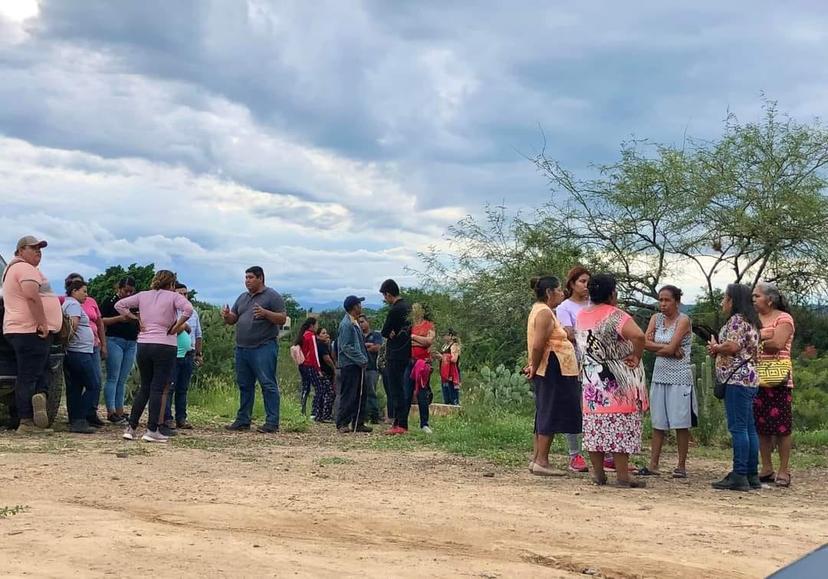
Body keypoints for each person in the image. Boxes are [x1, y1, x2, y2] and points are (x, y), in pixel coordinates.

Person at [575, 273, 648, 488]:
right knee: (620, 425)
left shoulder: (581, 315)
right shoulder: (616, 315)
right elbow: (639, 336)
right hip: (617, 379)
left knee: (595, 426)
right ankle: (623, 476)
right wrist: (637, 355)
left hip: (591, 379)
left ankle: (598, 474)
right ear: (611, 293)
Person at [116, 270, 192, 443]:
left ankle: (131, 427)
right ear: (172, 284)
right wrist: (177, 326)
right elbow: (188, 309)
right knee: (157, 388)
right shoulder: (173, 297)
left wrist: (135, 319)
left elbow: (119, 305)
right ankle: (152, 430)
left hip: (144, 344)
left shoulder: (143, 296)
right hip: (165, 344)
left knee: (145, 387)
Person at [1, 235, 63, 433]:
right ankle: (26, 421)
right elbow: (31, 295)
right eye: (33, 248)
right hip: (29, 330)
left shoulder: (12, 269)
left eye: (40, 248)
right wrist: (43, 322)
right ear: (20, 251)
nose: (38, 251)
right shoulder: (24, 268)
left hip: (20, 330)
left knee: (40, 369)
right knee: (28, 376)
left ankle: (40, 398)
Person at [526, 276, 582, 477]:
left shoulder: (543, 310)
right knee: (550, 411)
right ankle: (542, 460)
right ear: (549, 292)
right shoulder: (544, 313)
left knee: (544, 410)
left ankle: (537, 458)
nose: (562, 293)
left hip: (552, 366)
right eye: (559, 290)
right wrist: (533, 364)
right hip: (553, 367)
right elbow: (538, 344)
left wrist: (533, 364)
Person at [707, 284, 760, 491]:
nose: (723, 303)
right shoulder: (752, 321)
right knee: (749, 427)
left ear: (732, 300)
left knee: (738, 428)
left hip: (737, 380)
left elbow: (733, 346)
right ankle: (751, 473)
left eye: (725, 298)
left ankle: (739, 474)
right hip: (750, 379)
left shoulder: (737, 321)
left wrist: (716, 347)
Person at [221, 266, 286, 433]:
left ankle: (272, 422)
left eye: (250, 277)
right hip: (242, 348)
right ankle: (243, 420)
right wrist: (228, 316)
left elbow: (282, 318)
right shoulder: (243, 297)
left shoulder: (272, 296)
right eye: (246, 277)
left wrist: (265, 313)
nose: (247, 280)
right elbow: (234, 318)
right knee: (244, 385)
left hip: (263, 346)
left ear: (261, 278)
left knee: (267, 384)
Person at [640, 285, 696, 478]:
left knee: (680, 422)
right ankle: (653, 464)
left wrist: (662, 348)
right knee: (658, 422)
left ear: (677, 301)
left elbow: (669, 347)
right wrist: (666, 347)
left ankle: (681, 465)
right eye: (660, 300)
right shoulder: (656, 319)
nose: (663, 304)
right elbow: (644, 343)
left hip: (680, 377)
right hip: (659, 375)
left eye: (667, 300)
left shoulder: (683, 320)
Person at [752, 282, 795, 488]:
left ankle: (784, 469)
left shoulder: (784, 318)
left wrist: (756, 338)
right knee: (761, 425)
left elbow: (777, 344)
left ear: (770, 299)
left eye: (757, 296)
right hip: (756, 376)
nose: (754, 299)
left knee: (782, 426)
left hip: (778, 378)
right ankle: (767, 467)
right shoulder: (754, 320)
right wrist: (762, 337)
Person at [554, 266, 591, 473]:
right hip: (577, 360)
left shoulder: (594, 303)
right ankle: (574, 454)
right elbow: (569, 333)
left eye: (588, 282)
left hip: (597, 360)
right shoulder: (565, 307)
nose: (586, 286)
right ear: (572, 284)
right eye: (582, 282)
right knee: (575, 406)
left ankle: (602, 451)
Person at [62, 273, 107, 419]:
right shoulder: (74, 305)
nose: (86, 295)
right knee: (93, 384)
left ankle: (76, 419)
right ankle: (81, 416)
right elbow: (72, 326)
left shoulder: (70, 303)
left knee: (75, 386)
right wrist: (69, 342)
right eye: (84, 291)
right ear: (74, 291)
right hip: (79, 352)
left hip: (79, 350)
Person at [163, 282, 202, 431]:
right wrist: (183, 326)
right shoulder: (171, 311)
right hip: (173, 353)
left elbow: (198, 335)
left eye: (185, 293)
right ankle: (167, 418)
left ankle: (181, 418)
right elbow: (171, 330)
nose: (184, 296)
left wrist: (198, 353)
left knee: (183, 388)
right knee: (169, 387)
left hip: (189, 353)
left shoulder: (193, 312)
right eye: (180, 293)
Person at [100, 276, 139, 424]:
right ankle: (111, 411)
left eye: (131, 291)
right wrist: (119, 319)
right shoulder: (110, 302)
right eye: (125, 291)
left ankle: (120, 410)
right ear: (119, 289)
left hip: (131, 342)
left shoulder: (135, 303)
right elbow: (101, 320)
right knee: (113, 377)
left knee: (123, 379)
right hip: (114, 340)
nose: (128, 294)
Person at [379, 279, 412, 435]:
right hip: (406, 351)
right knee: (403, 389)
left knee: (395, 389)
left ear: (388, 294)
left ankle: (399, 424)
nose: (385, 299)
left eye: (385, 296)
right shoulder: (408, 307)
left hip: (395, 353)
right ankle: (402, 423)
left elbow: (385, 331)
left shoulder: (395, 310)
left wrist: (390, 333)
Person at [335, 296, 371, 433]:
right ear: (354, 307)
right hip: (349, 364)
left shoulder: (354, 323)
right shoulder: (346, 324)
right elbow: (346, 346)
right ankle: (342, 422)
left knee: (361, 394)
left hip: (356, 364)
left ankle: (358, 422)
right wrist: (362, 358)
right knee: (349, 394)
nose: (361, 306)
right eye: (359, 304)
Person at [406, 303, 435, 433]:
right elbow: (406, 342)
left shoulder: (429, 325)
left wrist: (413, 337)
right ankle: (402, 422)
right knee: (406, 392)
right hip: (409, 361)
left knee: (422, 393)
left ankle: (424, 423)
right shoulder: (409, 326)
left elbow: (429, 341)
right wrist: (420, 341)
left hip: (422, 363)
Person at [294, 316, 322, 417]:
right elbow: (314, 353)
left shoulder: (303, 335)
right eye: (316, 324)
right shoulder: (311, 336)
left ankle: (302, 411)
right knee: (319, 388)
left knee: (305, 387)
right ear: (312, 325)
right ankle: (315, 412)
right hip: (310, 365)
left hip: (302, 365)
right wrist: (318, 368)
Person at [359, 314, 384, 423]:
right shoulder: (358, 335)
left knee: (371, 391)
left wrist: (366, 347)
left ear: (367, 321)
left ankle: (375, 415)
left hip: (372, 367)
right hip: (360, 368)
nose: (361, 324)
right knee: (361, 392)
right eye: (359, 322)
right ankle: (363, 415)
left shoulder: (375, 335)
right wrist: (367, 346)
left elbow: (377, 347)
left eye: (363, 321)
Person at [314, 326, 336, 422]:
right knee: (329, 392)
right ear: (318, 336)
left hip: (323, 372)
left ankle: (319, 415)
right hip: (323, 372)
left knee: (322, 392)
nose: (326, 335)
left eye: (326, 333)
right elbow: (327, 359)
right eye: (323, 333)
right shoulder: (320, 345)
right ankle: (326, 414)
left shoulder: (324, 345)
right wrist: (334, 368)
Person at [439, 329, 461, 406]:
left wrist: (443, 357)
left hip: (452, 373)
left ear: (451, 336)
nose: (444, 337)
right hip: (444, 373)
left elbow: (454, 359)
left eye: (446, 335)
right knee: (446, 396)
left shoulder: (454, 346)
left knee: (453, 396)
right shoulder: (444, 346)